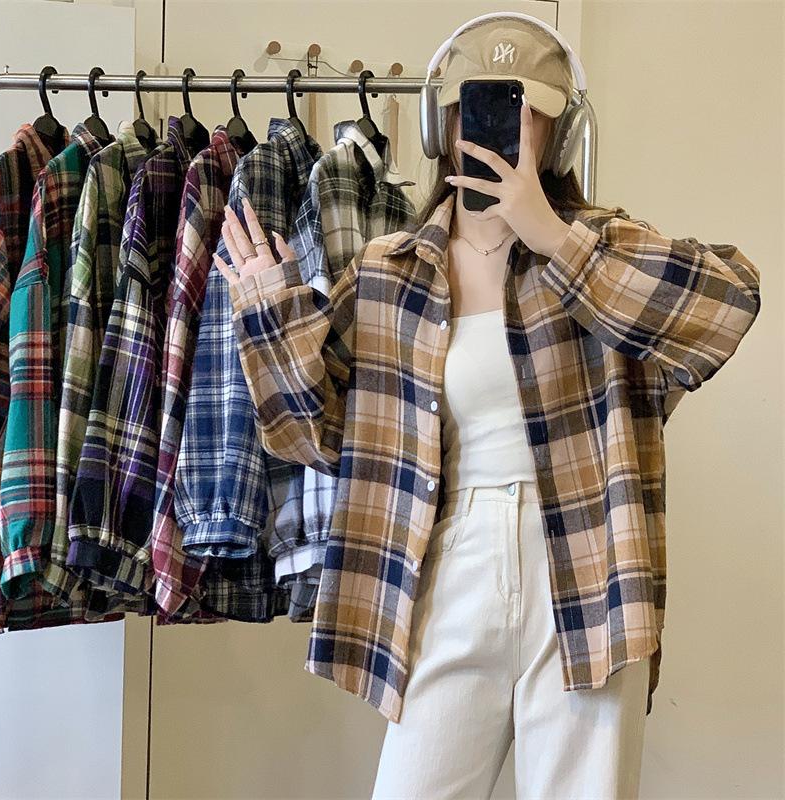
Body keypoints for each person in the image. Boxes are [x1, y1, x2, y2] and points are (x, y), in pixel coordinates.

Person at [214, 16, 761, 799]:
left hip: (588, 564)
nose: (502, 129)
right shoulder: (390, 274)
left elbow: (727, 306)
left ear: (558, 134)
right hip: (449, 564)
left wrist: (554, 236)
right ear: (442, 123)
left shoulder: (602, 250)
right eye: (481, 107)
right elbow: (311, 437)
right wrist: (271, 313)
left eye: (526, 111)